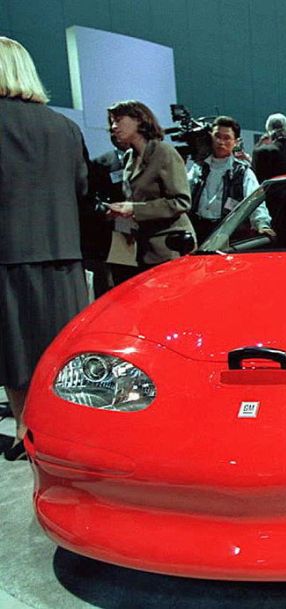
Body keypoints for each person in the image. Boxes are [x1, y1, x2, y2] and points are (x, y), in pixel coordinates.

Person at [0, 37, 89, 460]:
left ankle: (25, 430)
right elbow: (82, 188)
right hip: (63, 256)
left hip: (8, 254)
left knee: (14, 352)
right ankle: (62, 430)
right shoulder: (65, 128)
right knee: (58, 352)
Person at [105, 100, 194, 283]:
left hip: (169, 248)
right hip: (141, 248)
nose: (113, 127)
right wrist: (121, 211)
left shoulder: (164, 152)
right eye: (112, 122)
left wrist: (134, 209)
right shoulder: (130, 157)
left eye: (118, 120)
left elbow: (181, 201)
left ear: (139, 120)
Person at [187, 116, 274, 244]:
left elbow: (255, 201)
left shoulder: (243, 172)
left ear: (236, 142)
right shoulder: (198, 168)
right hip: (197, 231)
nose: (221, 142)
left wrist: (262, 224)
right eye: (217, 136)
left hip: (226, 234)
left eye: (227, 138)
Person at [83, 134, 128, 299]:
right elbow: (88, 197)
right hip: (114, 233)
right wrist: (105, 211)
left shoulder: (150, 159)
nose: (115, 132)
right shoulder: (100, 163)